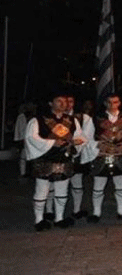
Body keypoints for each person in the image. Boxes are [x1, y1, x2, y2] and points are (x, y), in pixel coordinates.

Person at [26, 91, 86, 231]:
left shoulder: (72, 120)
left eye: (65, 101)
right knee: (42, 190)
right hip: (45, 159)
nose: (63, 104)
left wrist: (76, 143)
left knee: (62, 190)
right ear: (50, 103)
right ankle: (39, 219)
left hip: (64, 159)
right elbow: (31, 138)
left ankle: (59, 218)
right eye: (59, 101)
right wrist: (52, 143)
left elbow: (80, 136)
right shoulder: (38, 120)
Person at [85, 93, 122, 222]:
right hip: (102, 154)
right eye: (110, 102)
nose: (113, 105)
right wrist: (98, 145)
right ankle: (96, 212)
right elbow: (87, 136)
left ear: (119, 103)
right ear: (105, 103)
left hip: (120, 154)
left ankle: (121, 210)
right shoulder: (96, 118)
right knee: (98, 185)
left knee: (121, 184)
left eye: (115, 102)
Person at [14, 102, 36, 178]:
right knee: (23, 157)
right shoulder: (21, 117)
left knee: (31, 157)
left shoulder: (34, 118)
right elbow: (19, 130)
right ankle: (23, 173)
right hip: (24, 140)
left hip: (32, 140)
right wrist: (19, 140)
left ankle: (30, 172)